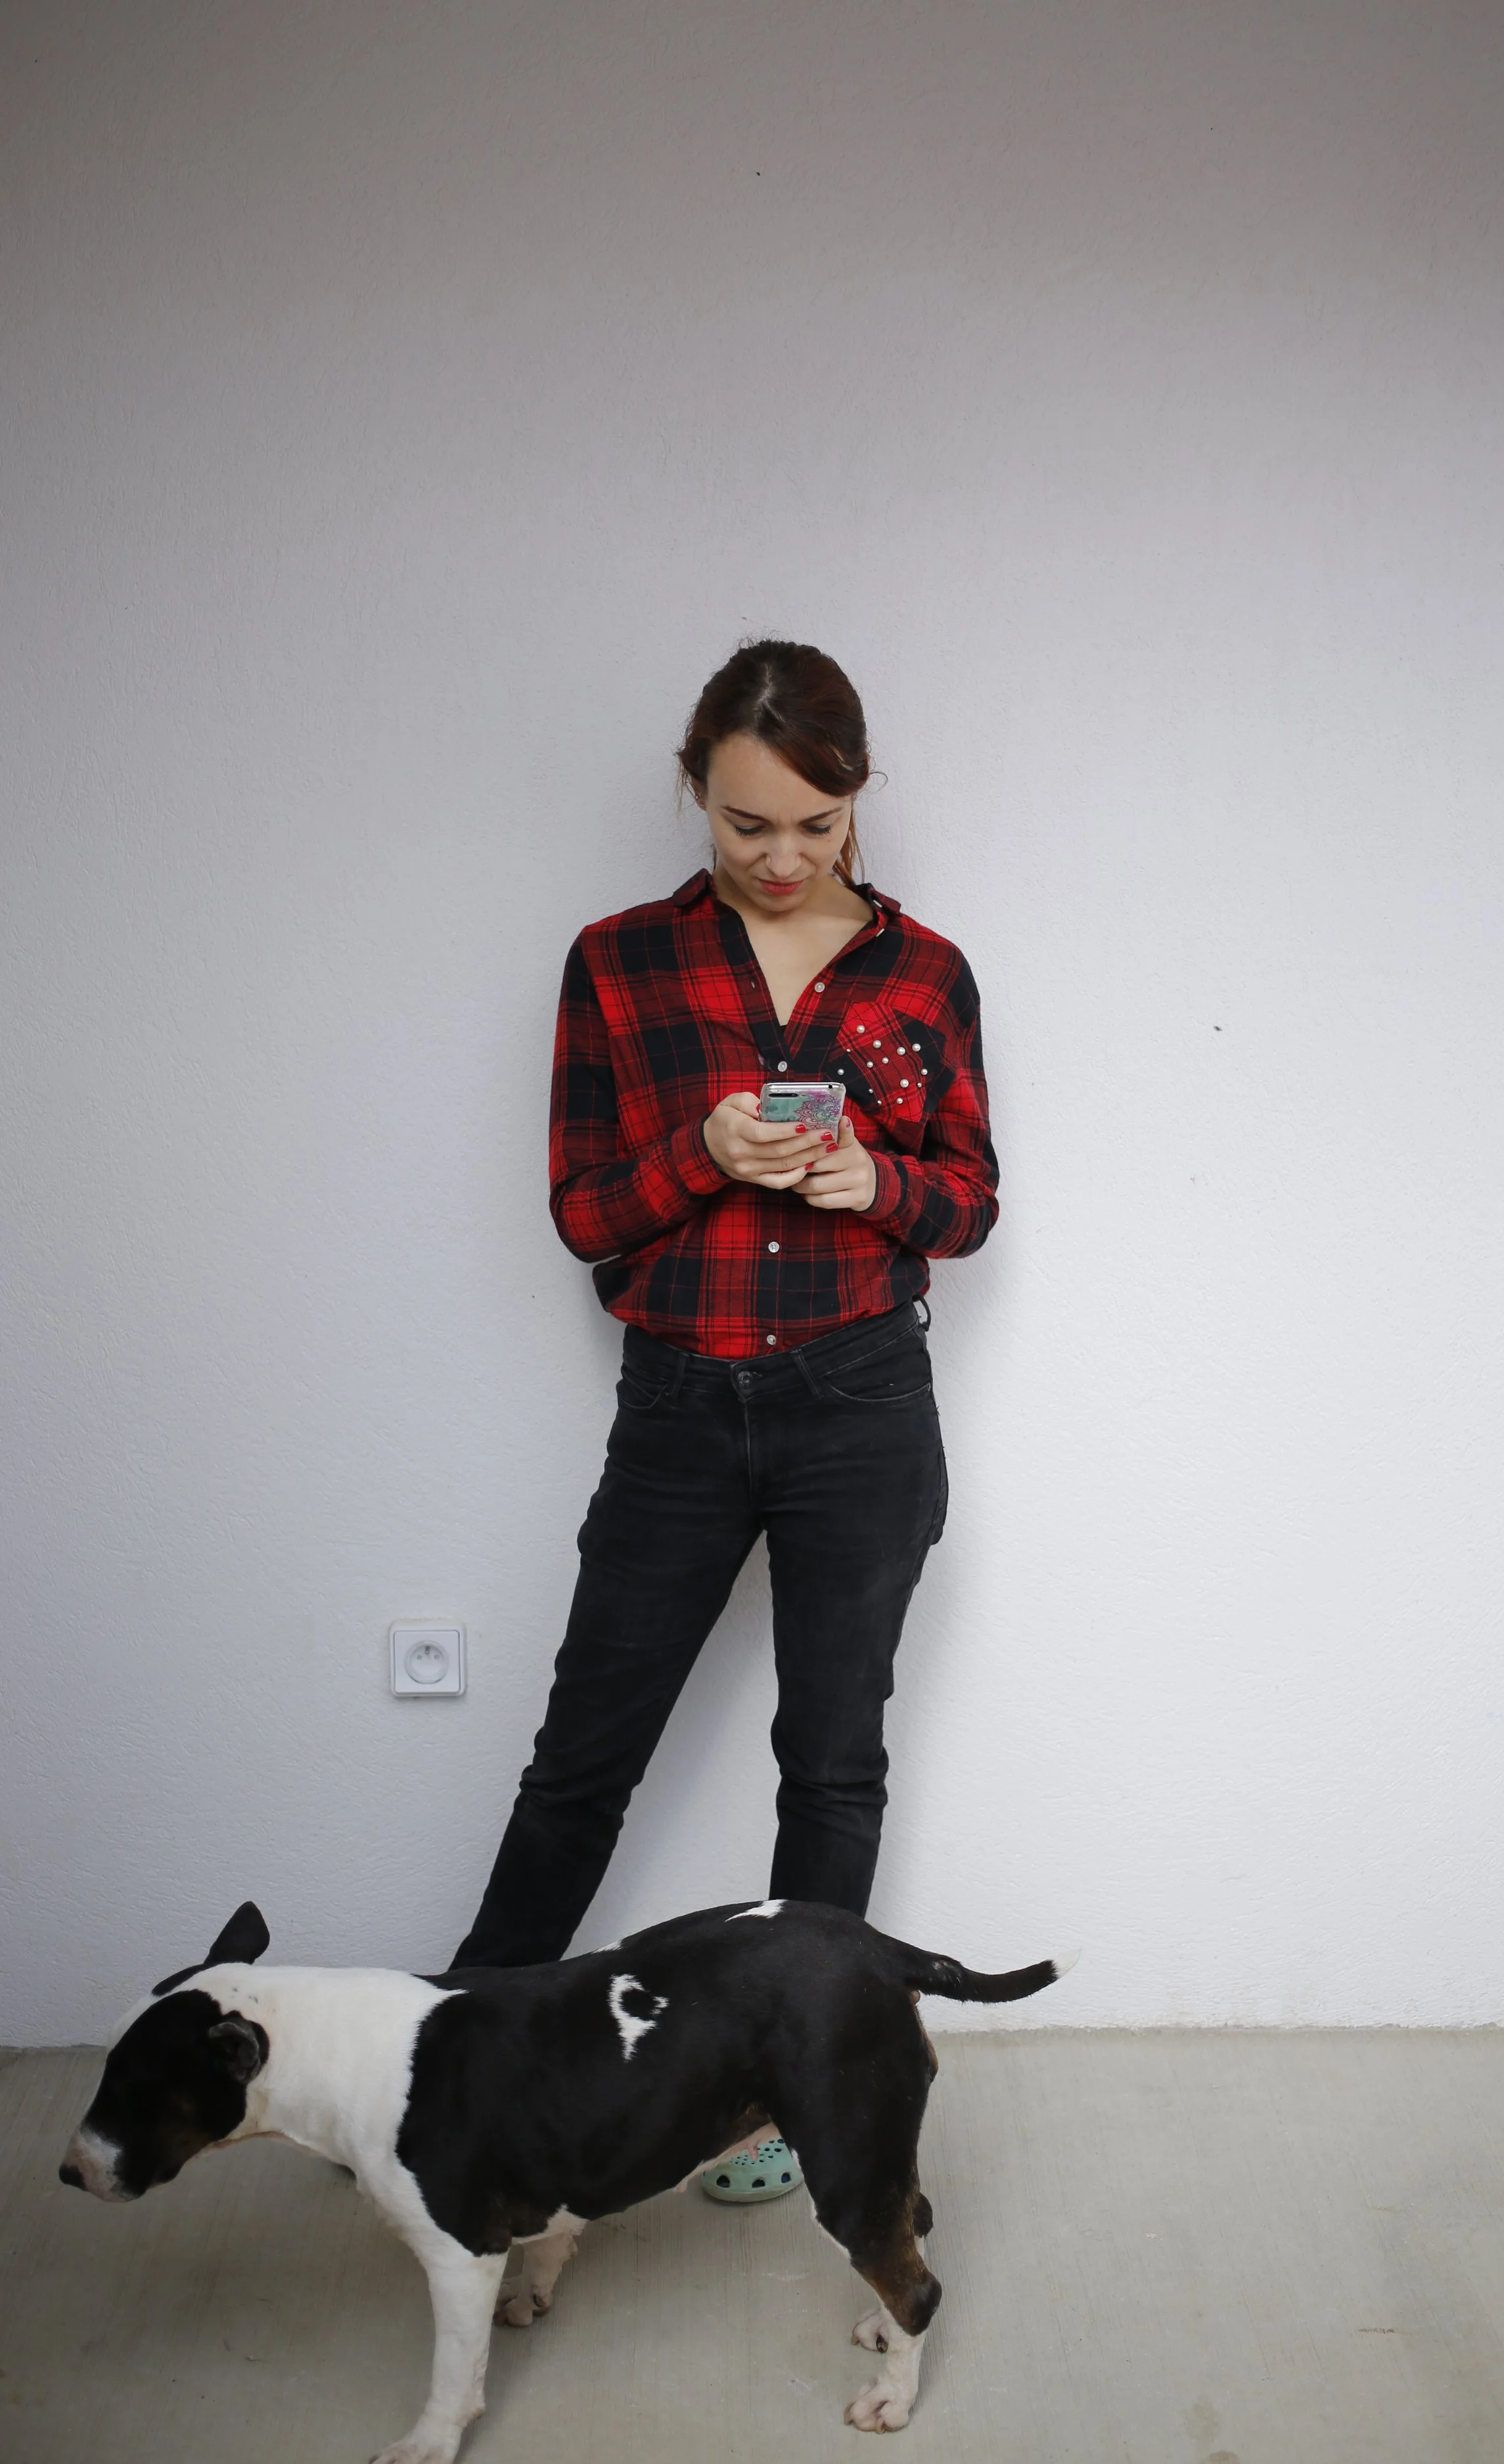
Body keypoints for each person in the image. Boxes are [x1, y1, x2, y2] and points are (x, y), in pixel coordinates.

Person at [452, 639, 998, 2191]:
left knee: (831, 1765)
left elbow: (969, 1204)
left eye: (814, 826)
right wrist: (700, 1151)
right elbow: (580, 1215)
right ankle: (452, 2059)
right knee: (582, 1760)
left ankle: (783, 2096)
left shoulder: (923, 974)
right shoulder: (617, 963)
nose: (779, 858)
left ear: (856, 798)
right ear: (693, 790)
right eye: (745, 823)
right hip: (678, 1409)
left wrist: (872, 1180)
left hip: (860, 1404)